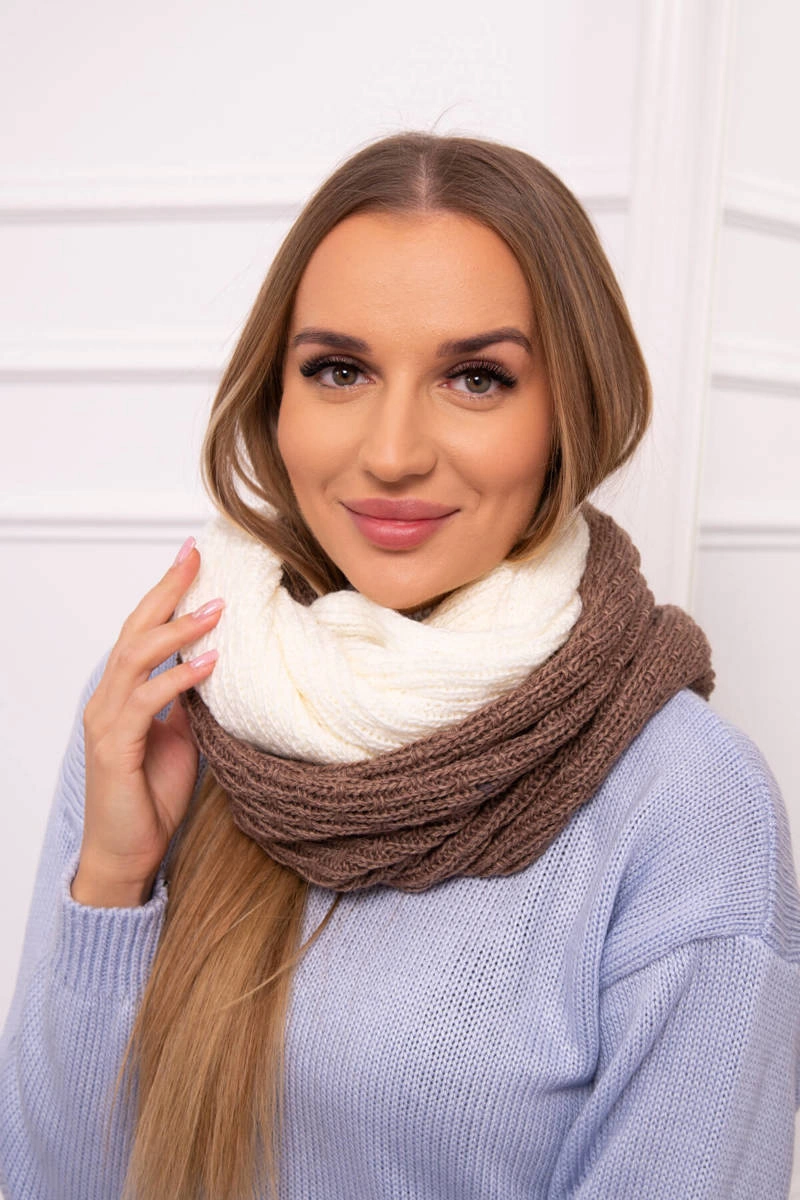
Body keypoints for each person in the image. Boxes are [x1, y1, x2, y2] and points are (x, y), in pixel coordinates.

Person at [1, 131, 798, 1200]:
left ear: (569, 412)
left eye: (476, 378)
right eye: (338, 370)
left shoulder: (684, 806)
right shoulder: (173, 703)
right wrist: (112, 881)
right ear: (274, 399)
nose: (390, 453)